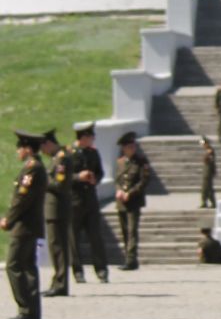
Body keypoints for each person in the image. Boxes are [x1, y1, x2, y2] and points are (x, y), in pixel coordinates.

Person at [2, 132, 47, 319]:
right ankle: (31, 310)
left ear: (27, 148)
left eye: (20, 148)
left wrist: (8, 220)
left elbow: (22, 199)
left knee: (13, 264)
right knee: (28, 266)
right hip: (30, 225)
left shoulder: (32, 168)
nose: (18, 151)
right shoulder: (36, 167)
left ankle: (25, 308)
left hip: (24, 225)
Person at [68, 122, 109, 283]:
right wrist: (79, 177)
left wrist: (95, 179)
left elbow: (100, 171)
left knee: (96, 237)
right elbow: (63, 177)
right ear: (83, 137)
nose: (93, 140)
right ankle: (78, 271)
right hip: (75, 201)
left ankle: (101, 270)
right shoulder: (69, 154)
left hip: (90, 200)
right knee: (74, 238)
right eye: (91, 137)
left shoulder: (93, 153)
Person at [40, 131, 73, 297]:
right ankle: (57, 280)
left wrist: (42, 181)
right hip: (53, 209)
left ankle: (61, 283)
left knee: (58, 247)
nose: (42, 151)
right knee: (55, 247)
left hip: (58, 208)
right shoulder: (56, 158)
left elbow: (59, 184)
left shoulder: (62, 158)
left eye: (43, 147)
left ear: (49, 143)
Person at [114, 132, 151, 271]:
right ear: (124, 148)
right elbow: (117, 180)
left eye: (133, 146)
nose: (132, 148)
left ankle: (130, 260)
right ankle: (129, 258)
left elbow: (144, 180)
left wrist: (131, 193)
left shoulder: (141, 161)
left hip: (134, 201)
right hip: (121, 202)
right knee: (124, 231)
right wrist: (119, 191)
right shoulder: (120, 162)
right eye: (129, 146)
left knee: (132, 230)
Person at [200, 138, 217, 209]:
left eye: (203, 144)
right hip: (206, 172)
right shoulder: (208, 151)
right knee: (207, 189)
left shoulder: (210, 151)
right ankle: (207, 202)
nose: (203, 145)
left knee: (206, 189)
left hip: (208, 173)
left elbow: (210, 162)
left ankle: (207, 202)